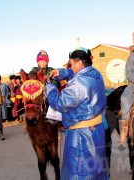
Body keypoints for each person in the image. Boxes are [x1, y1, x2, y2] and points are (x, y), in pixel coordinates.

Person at [45, 47, 109, 179]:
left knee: (80, 172)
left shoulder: (79, 82)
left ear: (79, 63)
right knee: (96, 170)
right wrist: (61, 72)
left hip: (81, 135)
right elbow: (74, 74)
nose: (71, 67)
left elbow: (60, 103)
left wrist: (50, 88)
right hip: (96, 130)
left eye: (71, 64)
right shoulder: (95, 74)